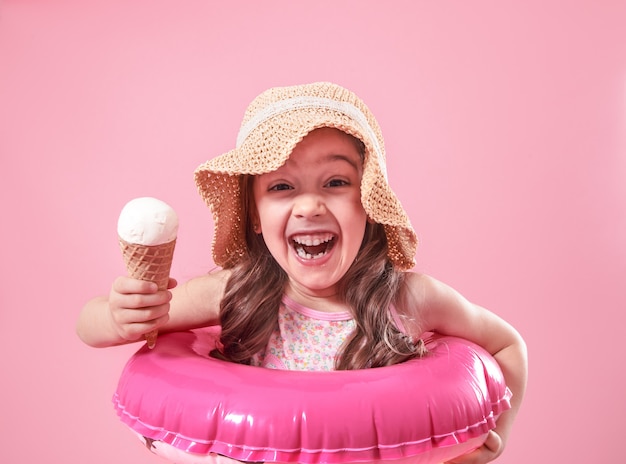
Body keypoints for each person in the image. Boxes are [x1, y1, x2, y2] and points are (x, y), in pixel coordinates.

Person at [77, 82, 527, 463]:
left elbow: (508, 344)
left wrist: (490, 446)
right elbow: (90, 327)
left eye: (335, 183)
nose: (310, 205)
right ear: (255, 215)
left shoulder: (409, 299)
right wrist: (118, 317)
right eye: (281, 187)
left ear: (368, 205)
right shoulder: (236, 293)